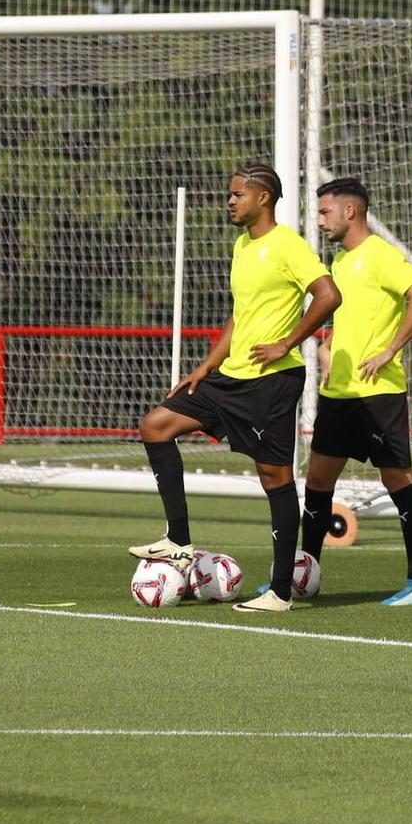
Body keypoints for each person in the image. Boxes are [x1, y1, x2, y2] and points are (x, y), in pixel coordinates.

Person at [131, 165, 341, 611]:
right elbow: (241, 314)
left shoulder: (288, 245)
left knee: (275, 479)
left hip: (272, 381)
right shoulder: (242, 245)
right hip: (231, 377)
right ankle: (179, 541)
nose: (230, 201)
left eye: (237, 195)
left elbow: (328, 295)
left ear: (262, 198)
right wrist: (207, 365)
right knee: (155, 425)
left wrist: (287, 342)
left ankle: (281, 592)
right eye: (230, 194)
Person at [299, 178, 412, 605]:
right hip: (340, 394)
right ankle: (305, 573)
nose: (319, 220)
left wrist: (389, 350)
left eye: (325, 212)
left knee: (398, 480)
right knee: (318, 482)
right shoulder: (341, 261)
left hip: (378, 394)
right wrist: (327, 347)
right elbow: (355, 315)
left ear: (349, 212)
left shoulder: (380, 255)